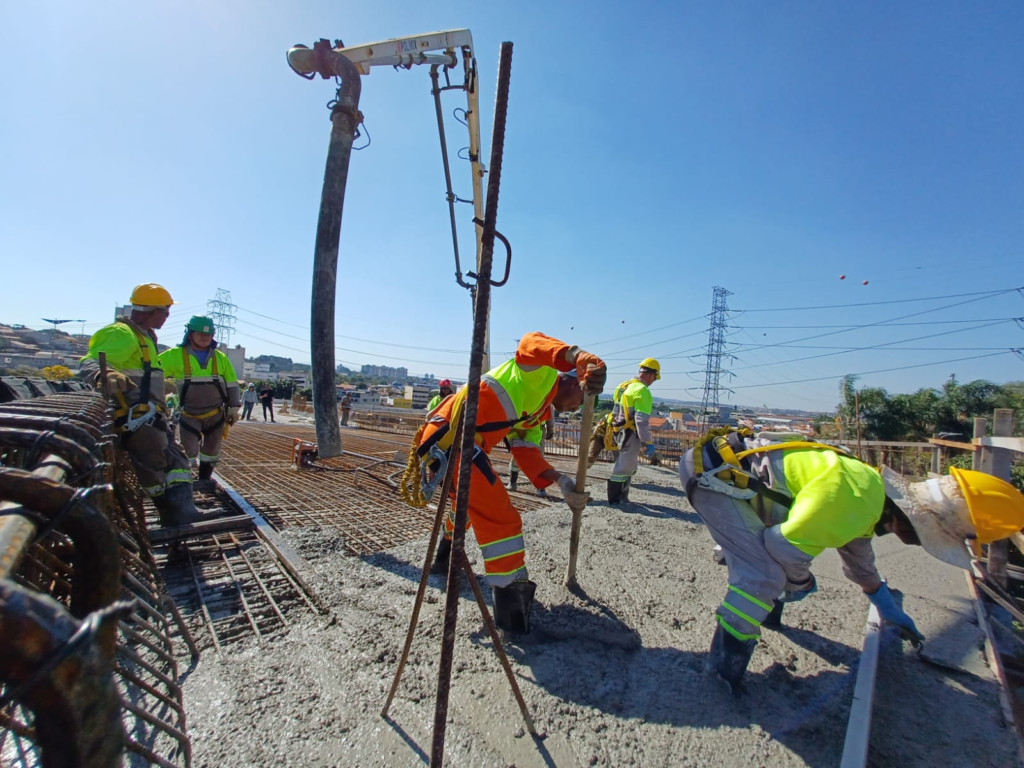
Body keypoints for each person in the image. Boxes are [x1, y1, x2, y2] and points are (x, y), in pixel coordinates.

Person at [678, 428, 1024, 692]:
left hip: (729, 475)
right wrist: (799, 582)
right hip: (711, 476)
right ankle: (723, 674)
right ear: (920, 524)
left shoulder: (869, 494)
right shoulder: (857, 499)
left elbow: (858, 554)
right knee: (766, 573)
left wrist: (882, 600)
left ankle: (766, 612)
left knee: (781, 558)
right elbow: (781, 547)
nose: (918, 545)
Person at [407, 332, 606, 633]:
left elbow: (528, 455)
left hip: (459, 446)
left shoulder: (536, 415)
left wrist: (562, 481)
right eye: (581, 401)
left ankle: (442, 560)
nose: (577, 409)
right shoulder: (539, 372)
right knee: (502, 521)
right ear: (571, 381)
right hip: (453, 440)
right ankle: (511, 607)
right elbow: (530, 342)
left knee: (468, 510)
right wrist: (576, 355)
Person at [79, 283, 200, 526]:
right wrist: (105, 375)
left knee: (177, 462)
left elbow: (141, 372)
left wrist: (160, 384)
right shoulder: (121, 333)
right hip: (135, 420)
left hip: (151, 417)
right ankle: (170, 513)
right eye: (165, 312)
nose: (167, 317)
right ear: (154, 312)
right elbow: (91, 361)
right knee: (153, 468)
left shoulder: (144, 336)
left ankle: (184, 512)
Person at [159, 316, 241, 489]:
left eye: (209, 334)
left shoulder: (220, 358)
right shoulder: (174, 355)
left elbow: (232, 384)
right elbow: (152, 373)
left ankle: (204, 479)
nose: (205, 337)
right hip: (190, 415)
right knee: (188, 451)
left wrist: (234, 407)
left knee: (211, 451)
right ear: (190, 334)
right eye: (200, 333)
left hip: (216, 414)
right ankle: (183, 483)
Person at [600, 358, 660, 504]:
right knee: (623, 467)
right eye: (654, 378)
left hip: (616, 430)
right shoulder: (642, 390)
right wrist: (647, 442)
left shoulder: (623, 386)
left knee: (626, 465)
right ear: (652, 375)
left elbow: (616, 411)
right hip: (630, 434)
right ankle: (617, 500)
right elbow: (641, 421)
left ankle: (623, 497)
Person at [506, 410, 555, 498]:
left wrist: (550, 426)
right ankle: (513, 482)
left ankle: (541, 487)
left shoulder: (546, 396)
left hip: (538, 427)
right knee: (518, 456)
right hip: (520, 426)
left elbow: (549, 408)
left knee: (538, 458)